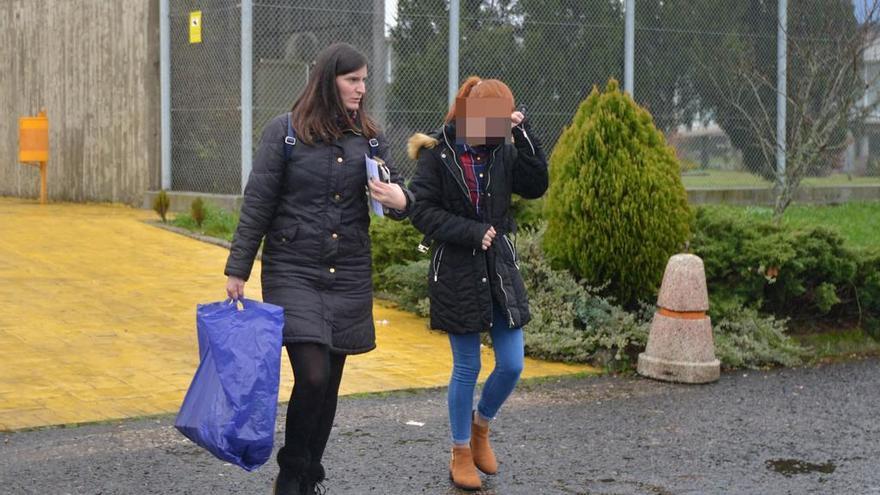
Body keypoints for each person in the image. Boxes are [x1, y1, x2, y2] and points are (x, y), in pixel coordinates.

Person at [223, 42, 413, 495]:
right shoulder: (284, 133)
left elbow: (396, 191)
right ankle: (291, 471)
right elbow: (258, 204)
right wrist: (238, 269)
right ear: (329, 81)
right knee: (312, 374)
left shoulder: (369, 136)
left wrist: (401, 200)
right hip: (293, 269)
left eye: (365, 80)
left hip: (347, 272)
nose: (362, 89)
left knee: (329, 385)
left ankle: (308, 476)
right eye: (353, 80)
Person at [407, 76, 548, 490]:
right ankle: (460, 451)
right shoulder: (437, 153)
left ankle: (481, 426)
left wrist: (523, 135)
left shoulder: (504, 150)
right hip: (455, 269)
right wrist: (471, 231)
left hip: (499, 268)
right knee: (467, 365)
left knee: (512, 362)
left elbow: (537, 184)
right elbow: (421, 211)